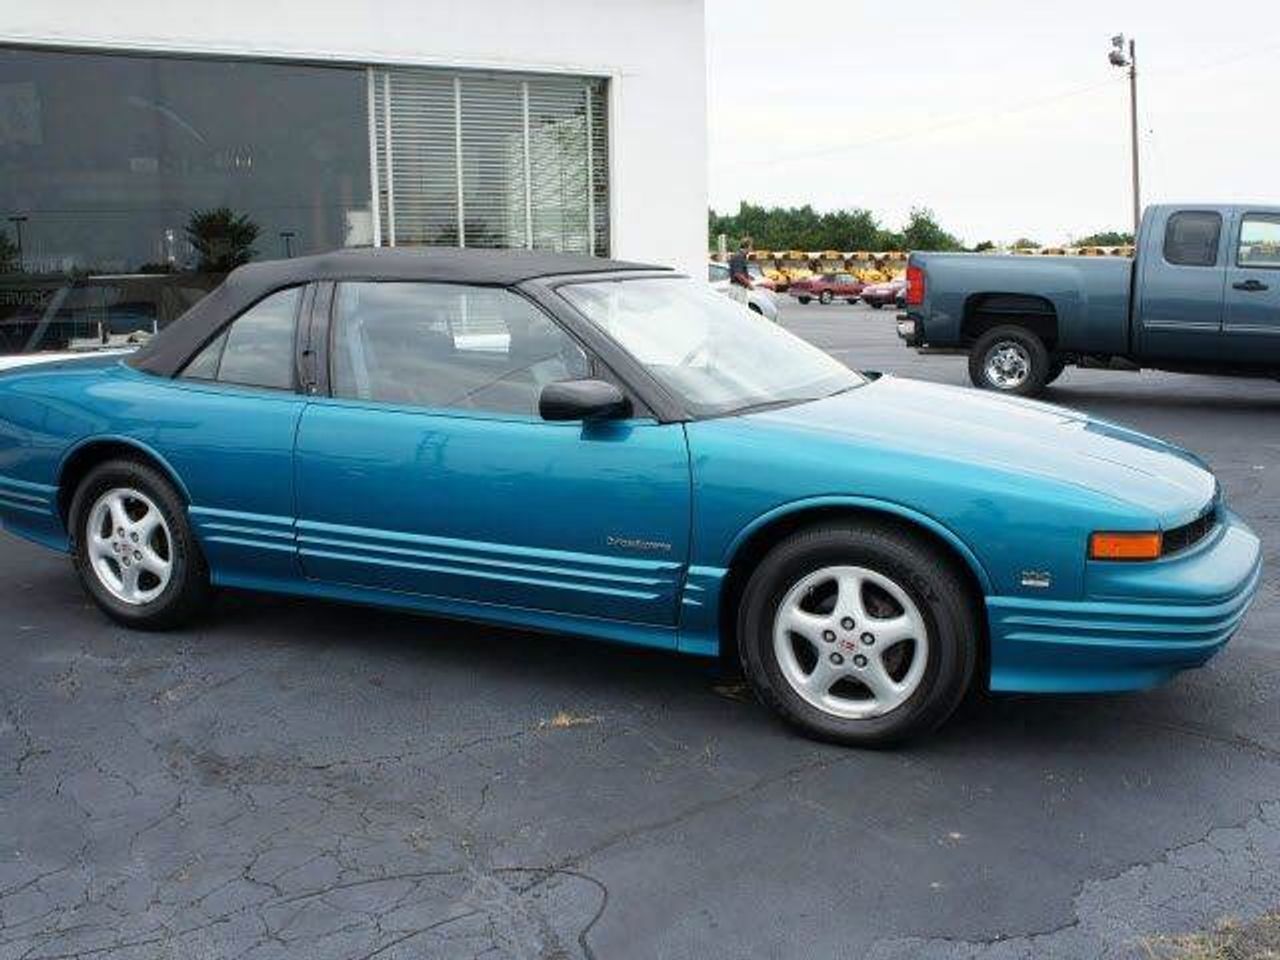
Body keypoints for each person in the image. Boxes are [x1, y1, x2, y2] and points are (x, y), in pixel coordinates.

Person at [727, 239, 753, 305]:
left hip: (739, 288)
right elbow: (738, 274)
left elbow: (741, 272)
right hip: (737, 289)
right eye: (751, 247)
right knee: (740, 311)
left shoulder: (741, 256)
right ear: (747, 247)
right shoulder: (739, 257)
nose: (751, 249)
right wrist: (748, 284)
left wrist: (748, 277)